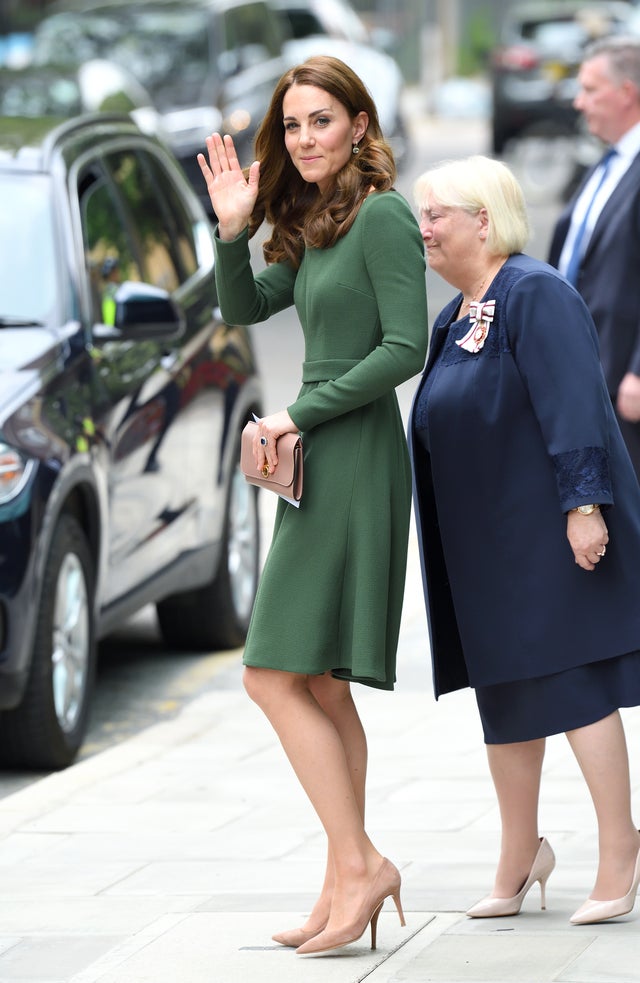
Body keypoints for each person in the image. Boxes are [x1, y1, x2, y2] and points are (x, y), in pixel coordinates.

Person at [197, 55, 428, 955]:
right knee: (321, 685)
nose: (304, 139)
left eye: (321, 120)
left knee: (269, 674)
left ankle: (360, 862)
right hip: (318, 457)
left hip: (356, 455)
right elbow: (244, 306)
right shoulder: (318, 222)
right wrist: (230, 230)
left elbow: (404, 348)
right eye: (292, 125)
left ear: (360, 125)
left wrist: (298, 409)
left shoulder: (382, 217)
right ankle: (343, 881)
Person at [410, 154, 640, 926]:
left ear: (484, 219)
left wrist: (585, 505)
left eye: (436, 214)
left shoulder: (534, 293)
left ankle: (620, 849)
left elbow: (575, 403)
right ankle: (520, 855)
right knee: (506, 697)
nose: (425, 229)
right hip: (486, 544)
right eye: (421, 216)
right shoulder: (456, 315)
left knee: (576, 684)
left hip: (547, 529)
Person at [549, 36, 640, 484]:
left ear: (627, 92)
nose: (578, 102)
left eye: (590, 89)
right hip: (582, 370)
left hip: (623, 376)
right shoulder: (606, 164)